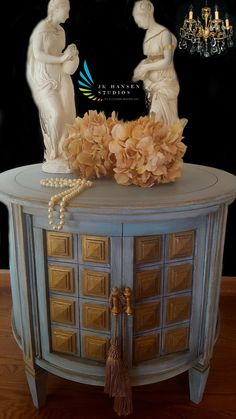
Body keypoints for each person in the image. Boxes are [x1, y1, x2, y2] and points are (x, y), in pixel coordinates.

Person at [26, 0, 79, 173]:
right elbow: (38, 54)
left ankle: (65, 151)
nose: (68, 15)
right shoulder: (42, 28)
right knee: (56, 114)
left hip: (62, 75)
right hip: (46, 78)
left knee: (69, 114)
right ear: (55, 10)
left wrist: (70, 54)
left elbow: (61, 54)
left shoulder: (61, 31)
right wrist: (61, 59)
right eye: (66, 11)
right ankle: (54, 152)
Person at [132, 0, 180, 126]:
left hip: (165, 82)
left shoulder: (164, 34)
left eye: (139, 20)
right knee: (155, 125)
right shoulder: (148, 34)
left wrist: (146, 67)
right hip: (153, 84)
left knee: (159, 123)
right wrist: (142, 68)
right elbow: (150, 58)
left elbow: (167, 60)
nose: (138, 24)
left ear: (146, 15)